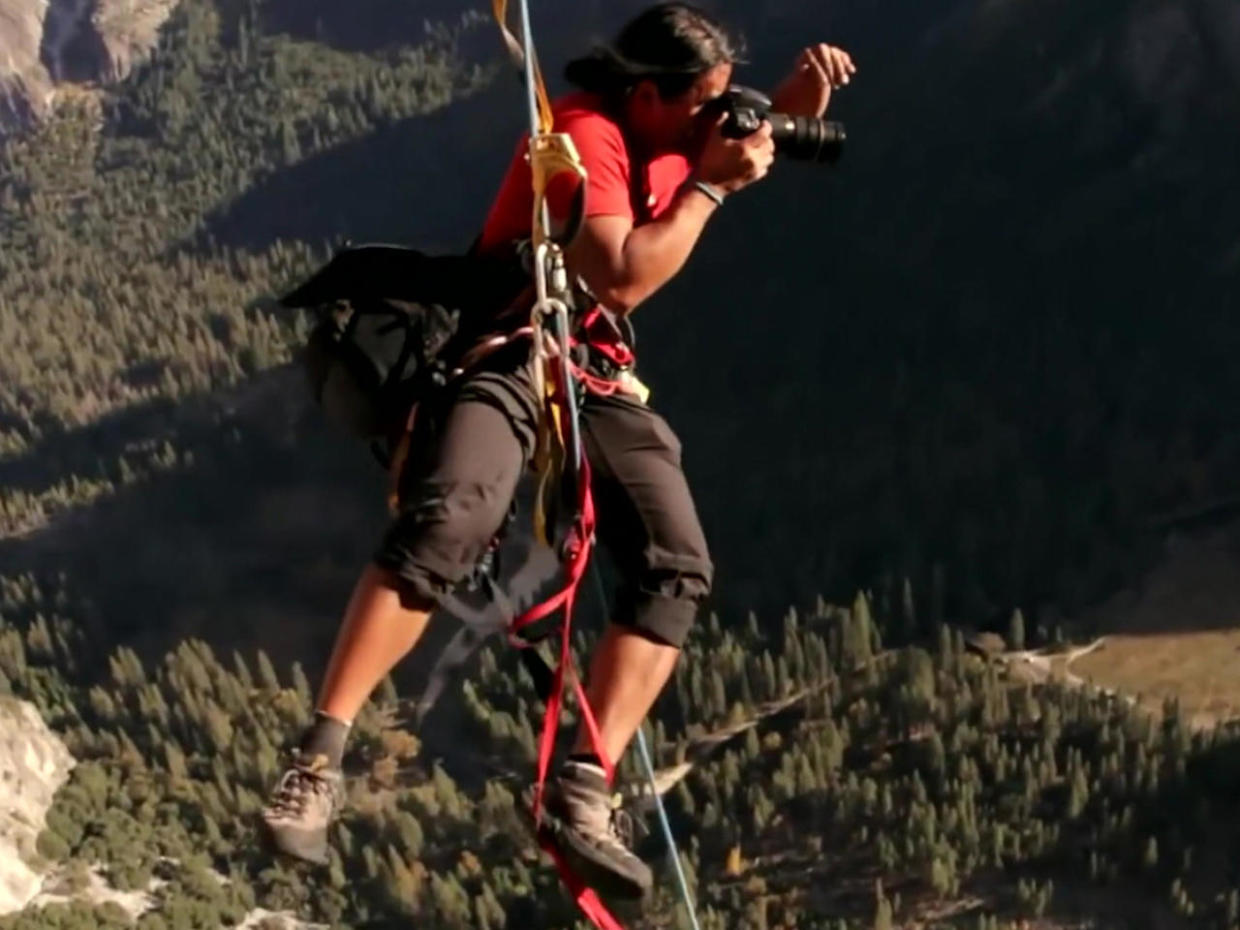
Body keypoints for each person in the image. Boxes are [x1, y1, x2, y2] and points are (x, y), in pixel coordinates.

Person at [260, 1, 855, 901]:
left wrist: (779, 109)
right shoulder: (580, 137)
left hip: (592, 365)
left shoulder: (673, 126)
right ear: (649, 95)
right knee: (451, 522)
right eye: (699, 105)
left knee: (676, 565)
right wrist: (713, 187)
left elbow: (703, 149)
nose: (711, 122)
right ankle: (317, 758)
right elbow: (621, 271)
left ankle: (584, 787)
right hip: (509, 343)